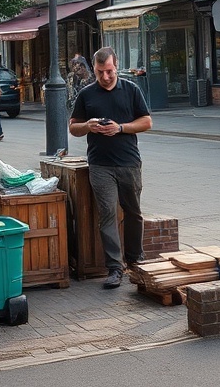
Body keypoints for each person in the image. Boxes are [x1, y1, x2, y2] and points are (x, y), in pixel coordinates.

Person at [69, 46, 153, 290]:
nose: (105, 77)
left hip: (129, 162)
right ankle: (115, 268)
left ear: (116, 67)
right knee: (107, 214)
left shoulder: (131, 89)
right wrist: (89, 126)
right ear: (93, 69)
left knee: (133, 212)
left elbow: (147, 121)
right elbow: (73, 128)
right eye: (99, 72)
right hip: (100, 165)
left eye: (109, 72)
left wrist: (120, 128)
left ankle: (135, 259)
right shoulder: (86, 94)